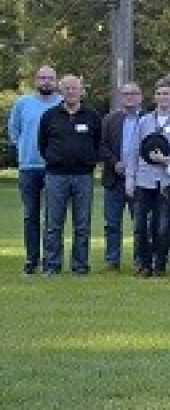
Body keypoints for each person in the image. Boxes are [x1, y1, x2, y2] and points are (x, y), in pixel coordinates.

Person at [125, 78, 170, 278]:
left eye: (167, 94)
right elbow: (134, 152)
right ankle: (143, 263)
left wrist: (167, 160)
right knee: (140, 225)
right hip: (143, 180)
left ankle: (159, 264)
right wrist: (130, 179)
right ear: (155, 97)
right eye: (159, 94)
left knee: (162, 226)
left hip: (167, 181)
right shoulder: (144, 121)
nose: (163, 98)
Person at [37, 75, 102, 276]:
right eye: (67, 88)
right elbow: (42, 144)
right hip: (56, 176)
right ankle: (52, 265)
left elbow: (98, 143)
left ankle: (80, 266)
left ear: (81, 91)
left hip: (83, 176)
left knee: (82, 224)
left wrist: (89, 161)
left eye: (74, 88)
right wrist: (54, 158)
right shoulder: (50, 115)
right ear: (61, 91)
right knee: (53, 224)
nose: (71, 92)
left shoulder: (92, 116)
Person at [8, 65, 62, 275]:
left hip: (54, 168)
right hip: (28, 167)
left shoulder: (61, 103)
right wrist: (24, 148)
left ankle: (51, 261)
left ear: (55, 81)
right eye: (42, 78)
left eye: (50, 78)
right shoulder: (23, 103)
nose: (46, 81)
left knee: (53, 218)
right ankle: (31, 260)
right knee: (31, 215)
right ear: (35, 80)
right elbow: (15, 131)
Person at [99, 81, 143, 271]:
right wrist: (114, 163)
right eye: (126, 94)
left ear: (140, 97)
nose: (130, 97)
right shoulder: (110, 120)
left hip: (141, 179)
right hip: (114, 178)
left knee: (140, 222)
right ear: (121, 97)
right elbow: (101, 145)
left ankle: (140, 259)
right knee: (112, 223)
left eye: (133, 94)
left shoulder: (148, 119)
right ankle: (112, 260)